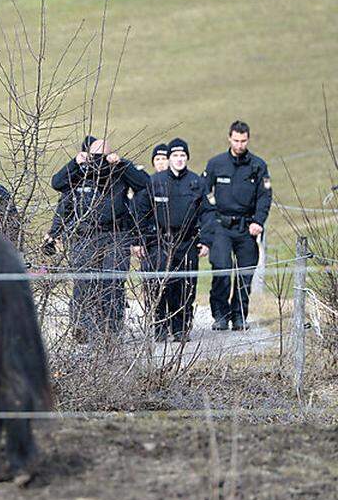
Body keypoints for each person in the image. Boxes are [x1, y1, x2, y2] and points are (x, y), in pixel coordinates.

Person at [51, 137, 149, 339]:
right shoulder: (79, 173)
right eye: (96, 156)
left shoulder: (118, 171)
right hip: (85, 236)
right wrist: (75, 163)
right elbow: (57, 184)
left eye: (103, 155)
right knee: (84, 284)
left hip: (116, 235)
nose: (99, 160)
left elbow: (144, 183)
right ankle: (83, 329)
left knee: (112, 285)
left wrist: (121, 163)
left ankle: (111, 332)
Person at [132, 139, 214, 341]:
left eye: (183, 156)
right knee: (159, 285)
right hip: (159, 243)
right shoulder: (155, 182)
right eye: (175, 156)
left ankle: (180, 330)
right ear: (169, 159)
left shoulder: (196, 183)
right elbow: (140, 211)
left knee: (186, 287)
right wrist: (139, 240)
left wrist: (206, 240)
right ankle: (159, 328)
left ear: (187, 158)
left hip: (187, 243)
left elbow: (208, 213)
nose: (179, 159)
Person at [202, 121, 271, 331]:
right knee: (221, 270)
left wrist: (258, 221)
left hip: (247, 226)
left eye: (243, 141)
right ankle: (220, 315)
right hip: (221, 226)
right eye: (236, 140)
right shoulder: (216, 164)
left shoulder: (258, 166)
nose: (240, 145)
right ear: (229, 138)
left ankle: (239, 316)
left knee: (245, 274)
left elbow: (264, 196)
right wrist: (211, 220)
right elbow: (204, 193)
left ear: (248, 139)